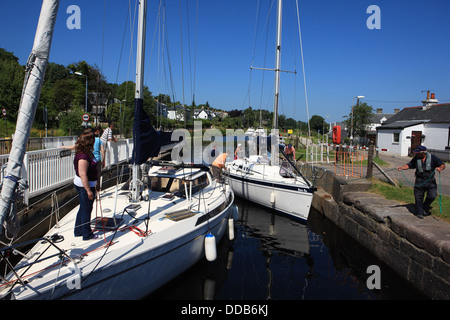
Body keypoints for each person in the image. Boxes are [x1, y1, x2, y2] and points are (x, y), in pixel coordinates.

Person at [397, 145, 445, 219]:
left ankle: (425, 207)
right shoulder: (416, 158)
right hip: (420, 180)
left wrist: (440, 168)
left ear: (423, 153)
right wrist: (402, 167)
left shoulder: (433, 158)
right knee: (418, 197)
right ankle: (419, 212)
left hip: (430, 180)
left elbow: (442, 164)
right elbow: (409, 165)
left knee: (432, 195)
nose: (416, 154)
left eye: (417, 153)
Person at [73, 131, 100, 240]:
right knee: (86, 209)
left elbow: (95, 169)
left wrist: (98, 182)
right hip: (85, 186)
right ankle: (87, 234)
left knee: (83, 208)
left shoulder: (89, 153)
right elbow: (83, 174)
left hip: (91, 184)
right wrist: (88, 190)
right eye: (93, 141)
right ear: (89, 142)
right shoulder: (83, 157)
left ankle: (78, 230)